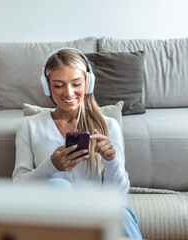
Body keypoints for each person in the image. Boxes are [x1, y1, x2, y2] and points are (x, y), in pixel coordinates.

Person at [12, 48, 142, 239]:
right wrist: (51, 166)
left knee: (117, 206)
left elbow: (118, 193)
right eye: (58, 85)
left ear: (88, 84)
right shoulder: (29, 126)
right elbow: (18, 188)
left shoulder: (109, 126)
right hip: (51, 216)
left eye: (76, 84)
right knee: (58, 186)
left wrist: (111, 160)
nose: (69, 92)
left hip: (96, 212)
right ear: (47, 87)